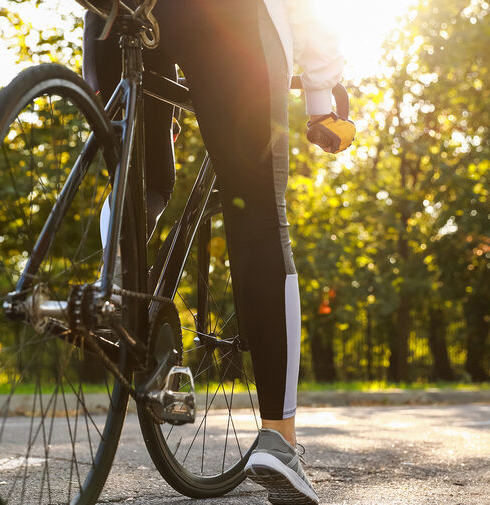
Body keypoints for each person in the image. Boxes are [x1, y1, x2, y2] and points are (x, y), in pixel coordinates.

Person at [83, 1, 354, 503]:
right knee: (256, 215)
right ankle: (279, 439)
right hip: (231, 19)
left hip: (115, 13)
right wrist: (321, 96)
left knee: (143, 181)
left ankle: (120, 297)